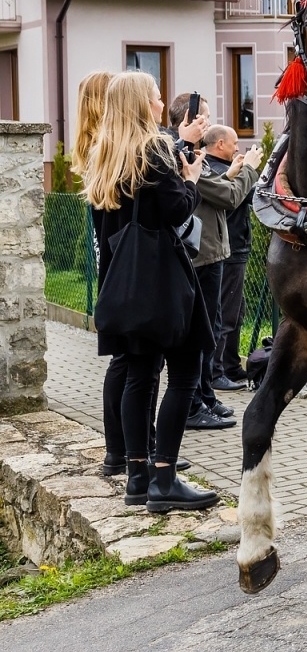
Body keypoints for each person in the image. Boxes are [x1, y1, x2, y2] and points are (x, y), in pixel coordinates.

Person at [82, 71, 218, 513]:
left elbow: (109, 230)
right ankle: (165, 479)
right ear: (142, 105)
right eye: (157, 99)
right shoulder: (154, 151)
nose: (162, 106)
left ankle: (137, 477)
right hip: (163, 281)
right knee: (184, 375)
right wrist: (192, 179)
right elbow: (176, 210)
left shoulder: (104, 156)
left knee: (139, 377)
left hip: (124, 284)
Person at [164, 93, 233, 429]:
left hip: (209, 249)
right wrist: (245, 171)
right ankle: (193, 403)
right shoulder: (181, 155)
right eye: (203, 116)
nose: (208, 121)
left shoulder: (194, 154)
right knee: (199, 333)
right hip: (198, 253)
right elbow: (226, 196)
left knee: (210, 328)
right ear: (188, 120)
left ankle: (204, 395)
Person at [196, 126, 262, 391]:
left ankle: (229, 367)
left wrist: (233, 172)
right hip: (224, 249)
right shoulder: (202, 166)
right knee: (221, 315)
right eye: (234, 143)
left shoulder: (214, 167)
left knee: (232, 311)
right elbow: (233, 196)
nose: (238, 149)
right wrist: (250, 170)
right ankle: (215, 373)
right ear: (220, 143)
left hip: (229, 246)